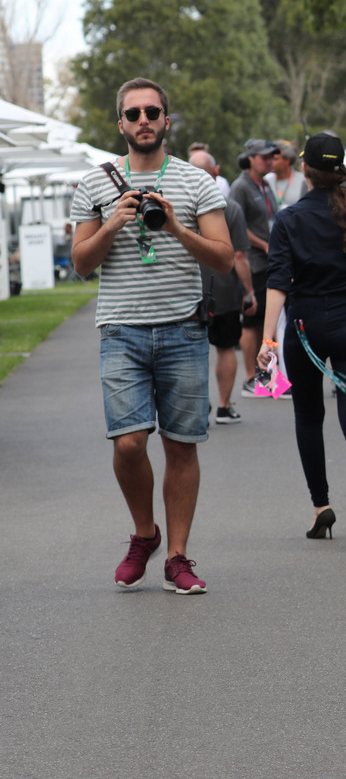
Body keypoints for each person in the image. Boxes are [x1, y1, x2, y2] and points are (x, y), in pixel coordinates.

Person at [70, 77, 234, 595]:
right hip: (121, 331)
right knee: (128, 443)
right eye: (133, 113)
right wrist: (112, 226)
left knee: (181, 446)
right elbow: (79, 264)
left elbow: (225, 259)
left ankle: (178, 557)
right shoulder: (94, 185)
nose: (144, 121)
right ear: (120, 123)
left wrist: (177, 231)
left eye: (153, 112)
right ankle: (145, 534)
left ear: (167, 120)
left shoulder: (195, 182)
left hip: (183, 329)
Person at [258, 133, 346, 548]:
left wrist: (268, 341)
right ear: (341, 171)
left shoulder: (290, 218)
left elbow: (277, 281)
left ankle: (321, 508)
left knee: (309, 418)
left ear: (305, 170)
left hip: (306, 328)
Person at [191, 150, 256, 424]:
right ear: (215, 172)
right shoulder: (230, 208)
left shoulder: (175, 206)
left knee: (191, 351)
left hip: (189, 289)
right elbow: (239, 256)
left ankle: (197, 407)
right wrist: (249, 290)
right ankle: (224, 405)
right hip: (225, 288)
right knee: (226, 347)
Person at [230, 138, 279, 395]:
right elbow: (237, 227)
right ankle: (251, 378)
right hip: (252, 263)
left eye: (271, 156)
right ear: (250, 159)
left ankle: (266, 376)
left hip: (268, 262)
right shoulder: (241, 187)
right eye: (264, 157)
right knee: (251, 322)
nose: (269, 161)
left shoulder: (265, 185)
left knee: (265, 322)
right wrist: (264, 244)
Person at [266, 141, 307, 211]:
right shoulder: (266, 180)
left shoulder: (303, 180)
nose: (270, 162)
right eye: (270, 158)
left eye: (275, 159)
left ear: (287, 160)